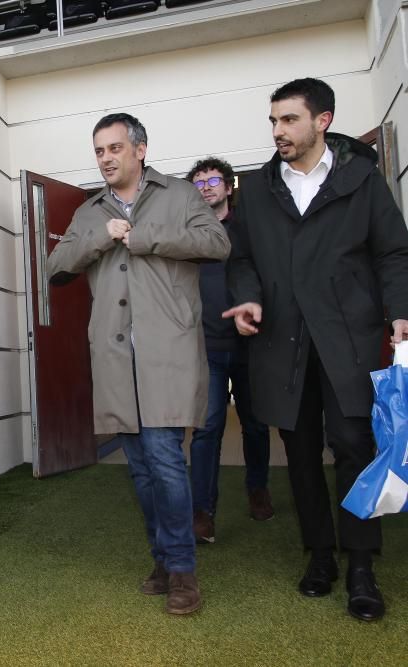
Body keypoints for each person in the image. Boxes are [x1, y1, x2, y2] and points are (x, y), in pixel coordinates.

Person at [224, 77, 408, 622]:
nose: (278, 130)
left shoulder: (362, 181)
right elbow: (241, 261)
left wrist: (400, 312)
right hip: (282, 341)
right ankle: (320, 556)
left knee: (353, 445)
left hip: (348, 339)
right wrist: (249, 299)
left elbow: (394, 253)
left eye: (289, 119)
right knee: (299, 452)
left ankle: (360, 566)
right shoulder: (255, 190)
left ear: (321, 120)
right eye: (274, 120)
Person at [47, 113, 230, 615]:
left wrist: (144, 236)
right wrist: (102, 236)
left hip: (168, 352)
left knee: (166, 459)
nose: (105, 158)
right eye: (99, 151)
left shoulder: (180, 195)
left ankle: (183, 571)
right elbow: (56, 267)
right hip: (113, 354)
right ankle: (165, 560)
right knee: (143, 470)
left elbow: (217, 243)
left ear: (140, 150)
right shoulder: (89, 212)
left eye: (114, 149)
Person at [185, 157, 274, 546]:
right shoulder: (187, 235)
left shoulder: (249, 228)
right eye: (198, 182)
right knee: (207, 430)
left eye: (213, 179)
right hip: (206, 346)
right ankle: (202, 511)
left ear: (229, 186)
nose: (206, 187)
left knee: (255, 424)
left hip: (251, 344)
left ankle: (258, 488)